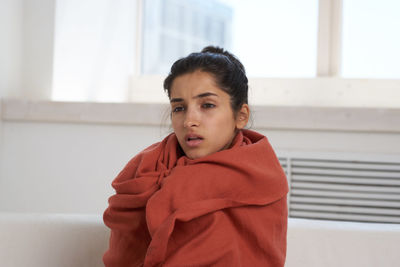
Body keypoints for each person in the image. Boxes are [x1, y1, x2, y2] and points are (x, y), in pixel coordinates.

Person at [103, 46, 288, 266]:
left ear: (241, 116)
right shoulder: (144, 170)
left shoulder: (261, 175)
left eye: (207, 105)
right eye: (179, 108)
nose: (189, 120)